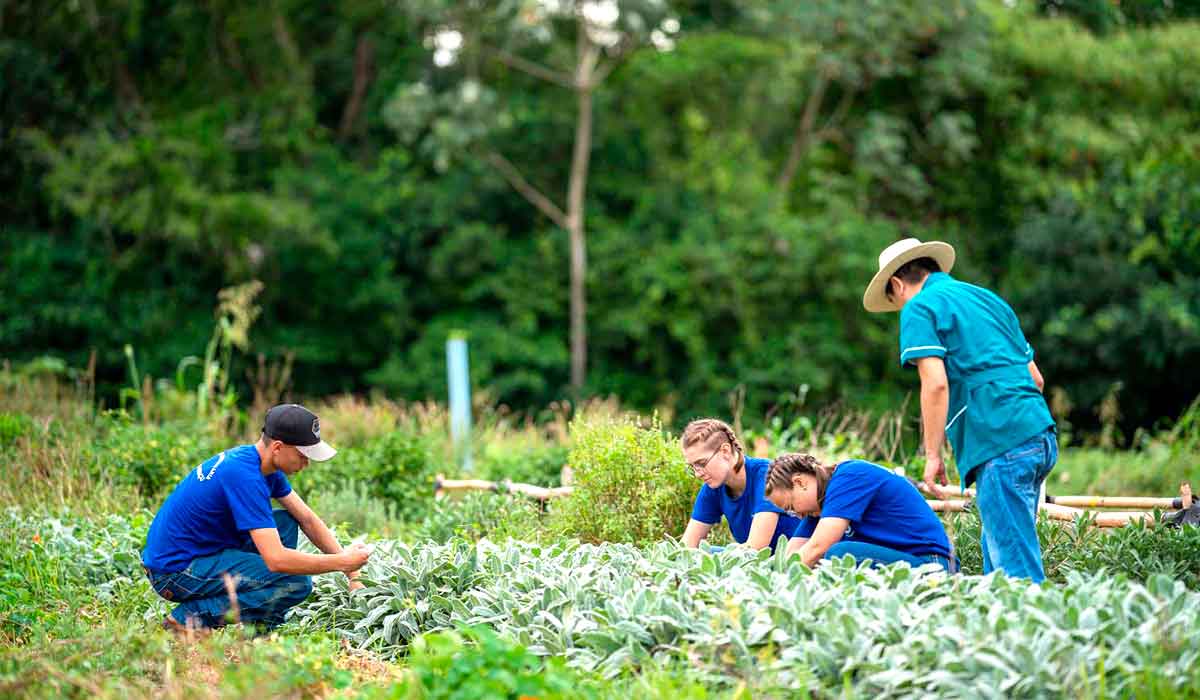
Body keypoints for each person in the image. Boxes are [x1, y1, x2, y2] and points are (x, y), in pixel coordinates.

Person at [863, 238, 1057, 582]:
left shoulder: (919, 307)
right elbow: (1036, 379)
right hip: (1038, 431)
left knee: (1017, 574)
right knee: (998, 558)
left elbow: (936, 384)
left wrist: (933, 454)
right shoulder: (988, 299)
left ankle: (1046, 634)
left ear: (896, 284)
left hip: (1000, 439)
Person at [141, 403, 371, 632]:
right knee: (295, 583)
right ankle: (189, 619)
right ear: (278, 447)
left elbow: (307, 519)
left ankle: (262, 629)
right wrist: (342, 561)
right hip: (175, 572)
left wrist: (352, 575)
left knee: (286, 522)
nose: (307, 463)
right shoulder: (245, 477)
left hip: (199, 554)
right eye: (303, 455)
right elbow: (276, 560)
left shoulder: (259, 464)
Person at [763, 453, 955, 571]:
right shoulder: (817, 509)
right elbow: (790, 556)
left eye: (791, 506)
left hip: (932, 565)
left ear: (800, 482)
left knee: (837, 555)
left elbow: (816, 548)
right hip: (902, 561)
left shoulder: (849, 477)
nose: (796, 514)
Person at [679, 418, 802, 552]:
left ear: (725, 451)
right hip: (754, 564)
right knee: (694, 553)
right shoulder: (713, 487)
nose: (698, 474)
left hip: (795, 562)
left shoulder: (767, 474)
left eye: (702, 463)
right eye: (693, 467)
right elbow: (687, 545)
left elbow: (756, 548)